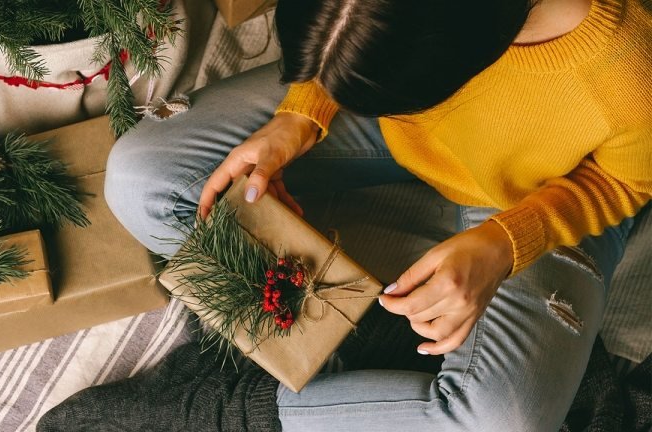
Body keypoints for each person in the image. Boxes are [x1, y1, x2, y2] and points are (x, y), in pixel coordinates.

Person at [37, 0, 651, 430]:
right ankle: (308, 339)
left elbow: (628, 181)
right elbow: (349, 31)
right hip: (387, 112)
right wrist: (298, 114)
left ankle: (226, 409)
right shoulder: (406, 42)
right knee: (142, 176)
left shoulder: (627, 69)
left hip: (538, 194)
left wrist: (503, 243)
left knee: (495, 422)